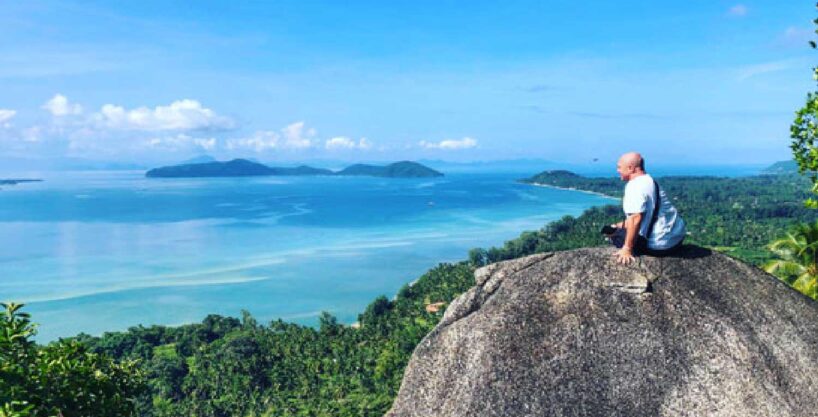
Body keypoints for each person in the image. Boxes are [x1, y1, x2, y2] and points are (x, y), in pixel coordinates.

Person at [605, 152, 686, 265]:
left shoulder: (635, 187)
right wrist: (619, 225)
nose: (617, 170)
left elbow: (636, 218)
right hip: (676, 240)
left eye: (619, 167)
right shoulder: (650, 181)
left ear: (631, 168)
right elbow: (645, 216)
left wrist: (627, 249)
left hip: (659, 245)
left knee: (613, 235)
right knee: (615, 228)